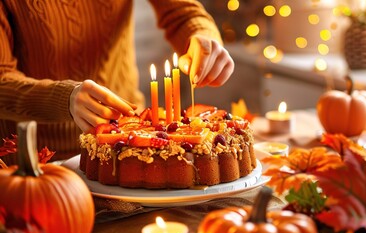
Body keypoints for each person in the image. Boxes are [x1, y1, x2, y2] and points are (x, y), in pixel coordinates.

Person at [0, 0, 234, 163]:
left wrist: (203, 37)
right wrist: (65, 98)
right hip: (34, 162)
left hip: (132, 147)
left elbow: (183, 13)